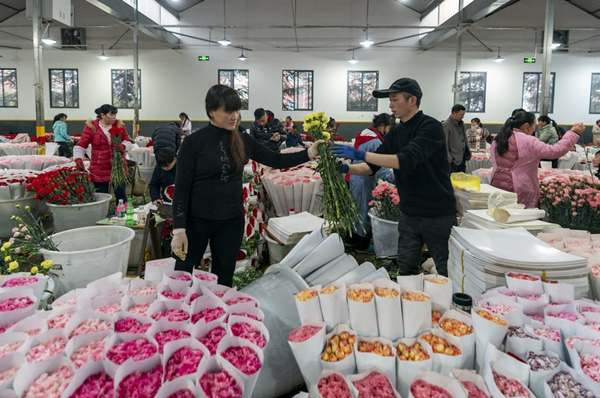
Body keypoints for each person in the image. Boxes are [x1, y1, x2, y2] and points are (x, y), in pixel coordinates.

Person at [170, 85, 323, 286]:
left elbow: (275, 159)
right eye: (228, 111)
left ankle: (219, 314)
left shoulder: (241, 138)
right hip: (196, 222)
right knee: (181, 277)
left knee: (223, 279)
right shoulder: (193, 143)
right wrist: (179, 230)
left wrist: (309, 153)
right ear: (212, 112)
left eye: (237, 111)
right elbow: (181, 188)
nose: (235, 116)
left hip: (230, 222)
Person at [330, 78, 457, 277]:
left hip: (437, 213)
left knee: (446, 268)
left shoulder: (430, 127)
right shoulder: (396, 132)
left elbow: (406, 160)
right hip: (409, 212)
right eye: (389, 100)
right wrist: (345, 168)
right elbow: (371, 167)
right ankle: (412, 304)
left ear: (412, 100)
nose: (390, 105)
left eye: (394, 99)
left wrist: (361, 153)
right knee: (406, 268)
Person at [489, 111, 585, 208]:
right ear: (527, 126)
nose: (535, 128)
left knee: (498, 214)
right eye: (534, 125)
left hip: (496, 182)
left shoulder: (499, 138)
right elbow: (555, 151)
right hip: (520, 186)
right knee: (520, 218)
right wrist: (573, 133)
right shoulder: (529, 140)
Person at [347, 113, 396, 251]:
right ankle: (362, 245)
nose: (389, 131)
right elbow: (380, 169)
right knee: (363, 211)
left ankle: (350, 239)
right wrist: (397, 176)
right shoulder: (375, 142)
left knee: (354, 209)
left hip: (354, 176)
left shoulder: (363, 135)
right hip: (364, 179)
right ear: (382, 126)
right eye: (389, 127)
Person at [74, 104, 132, 204]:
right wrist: (78, 158)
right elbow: (81, 145)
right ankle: (102, 215)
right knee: (102, 196)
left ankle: (123, 214)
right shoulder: (92, 127)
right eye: (111, 114)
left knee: (121, 195)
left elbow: (127, 141)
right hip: (99, 167)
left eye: (115, 114)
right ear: (102, 115)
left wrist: (123, 146)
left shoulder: (120, 125)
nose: (114, 117)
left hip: (118, 166)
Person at [443, 104, 471, 173]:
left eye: (464, 115)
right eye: (461, 115)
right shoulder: (446, 125)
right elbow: (444, 143)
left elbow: (464, 139)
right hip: (453, 161)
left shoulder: (462, 124)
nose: (463, 117)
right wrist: (449, 158)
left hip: (462, 158)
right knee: (452, 182)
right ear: (454, 113)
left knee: (462, 181)